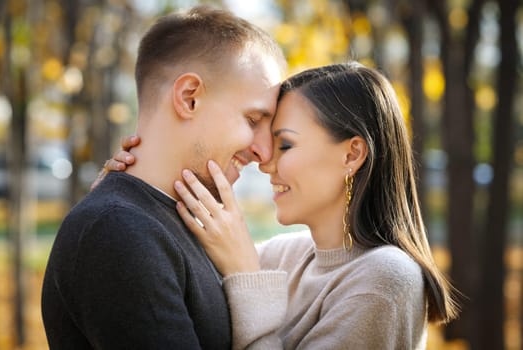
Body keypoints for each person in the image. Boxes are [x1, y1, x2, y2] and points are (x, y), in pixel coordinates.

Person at [105, 62, 460, 349]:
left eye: (286, 145)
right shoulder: (283, 256)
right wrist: (129, 187)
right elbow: (170, 261)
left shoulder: (384, 278)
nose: (266, 162)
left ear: (352, 154)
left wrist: (247, 277)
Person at [41, 5, 286, 349]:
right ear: (189, 98)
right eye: (253, 119)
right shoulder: (119, 232)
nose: (265, 151)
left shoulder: (178, 226)